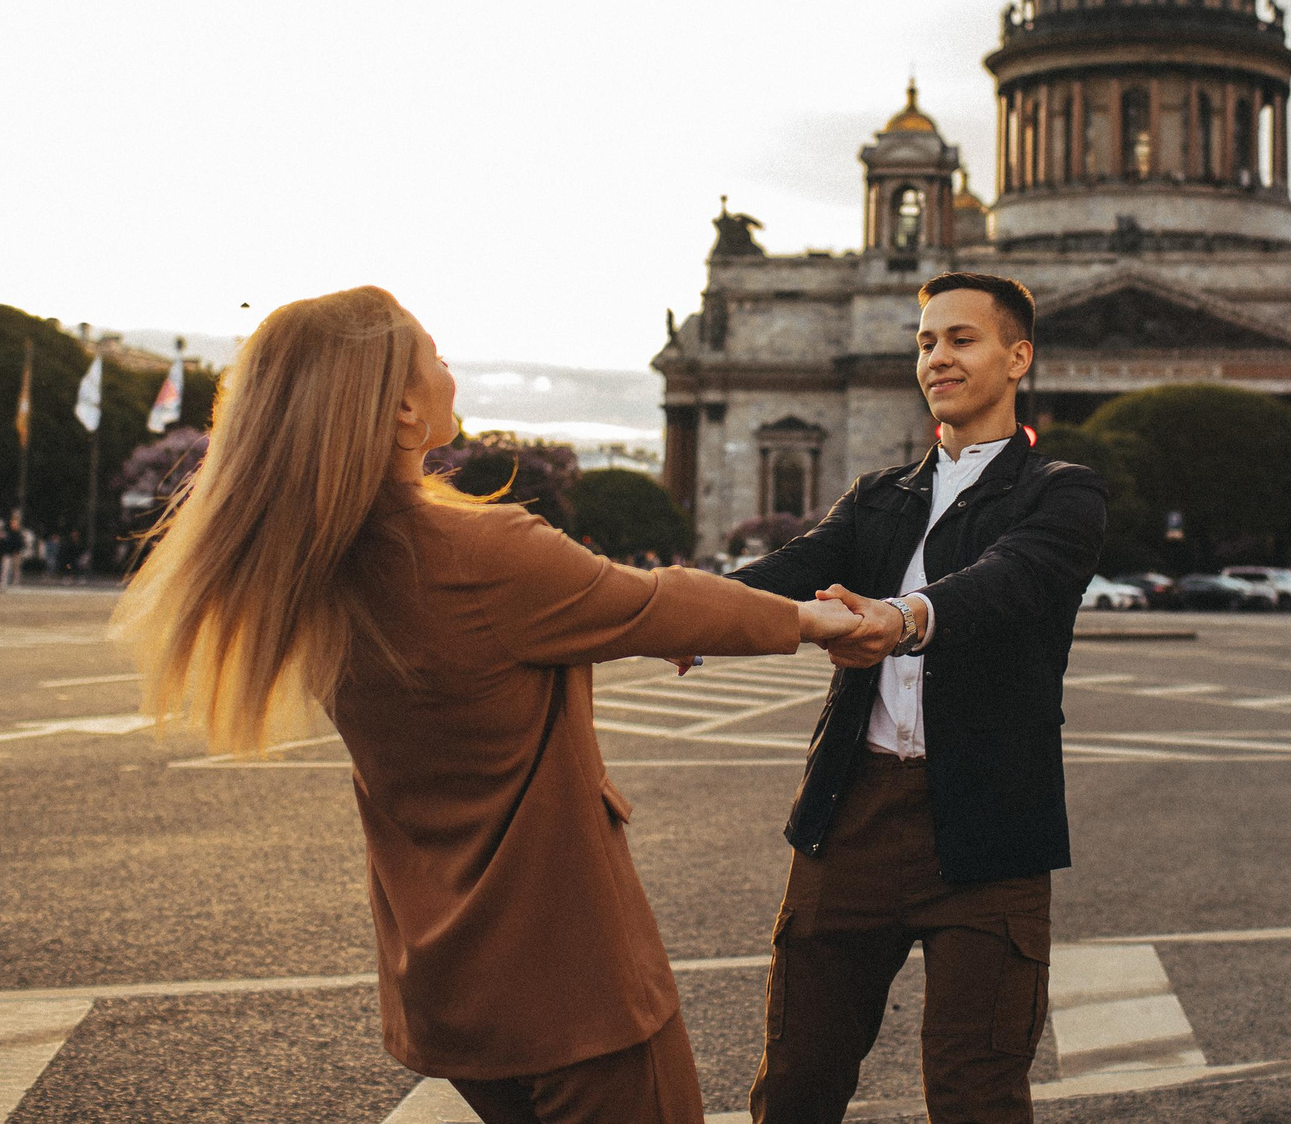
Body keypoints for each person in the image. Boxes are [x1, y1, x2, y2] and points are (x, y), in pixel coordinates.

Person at [113, 286, 858, 1124]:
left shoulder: (321, 566)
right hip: (575, 974)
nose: (448, 368)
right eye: (431, 353)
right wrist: (807, 616)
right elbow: (652, 599)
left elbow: (600, 617)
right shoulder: (480, 549)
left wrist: (641, 623)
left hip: (447, 977)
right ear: (399, 408)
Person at [726, 271, 1106, 1124]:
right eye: (926, 342)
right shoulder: (877, 496)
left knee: (978, 1094)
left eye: (961, 339)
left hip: (989, 826)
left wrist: (902, 618)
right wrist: (676, 612)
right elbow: (782, 576)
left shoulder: (1062, 491)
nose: (937, 357)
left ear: (1019, 356)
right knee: (795, 1083)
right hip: (850, 813)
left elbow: (1010, 582)